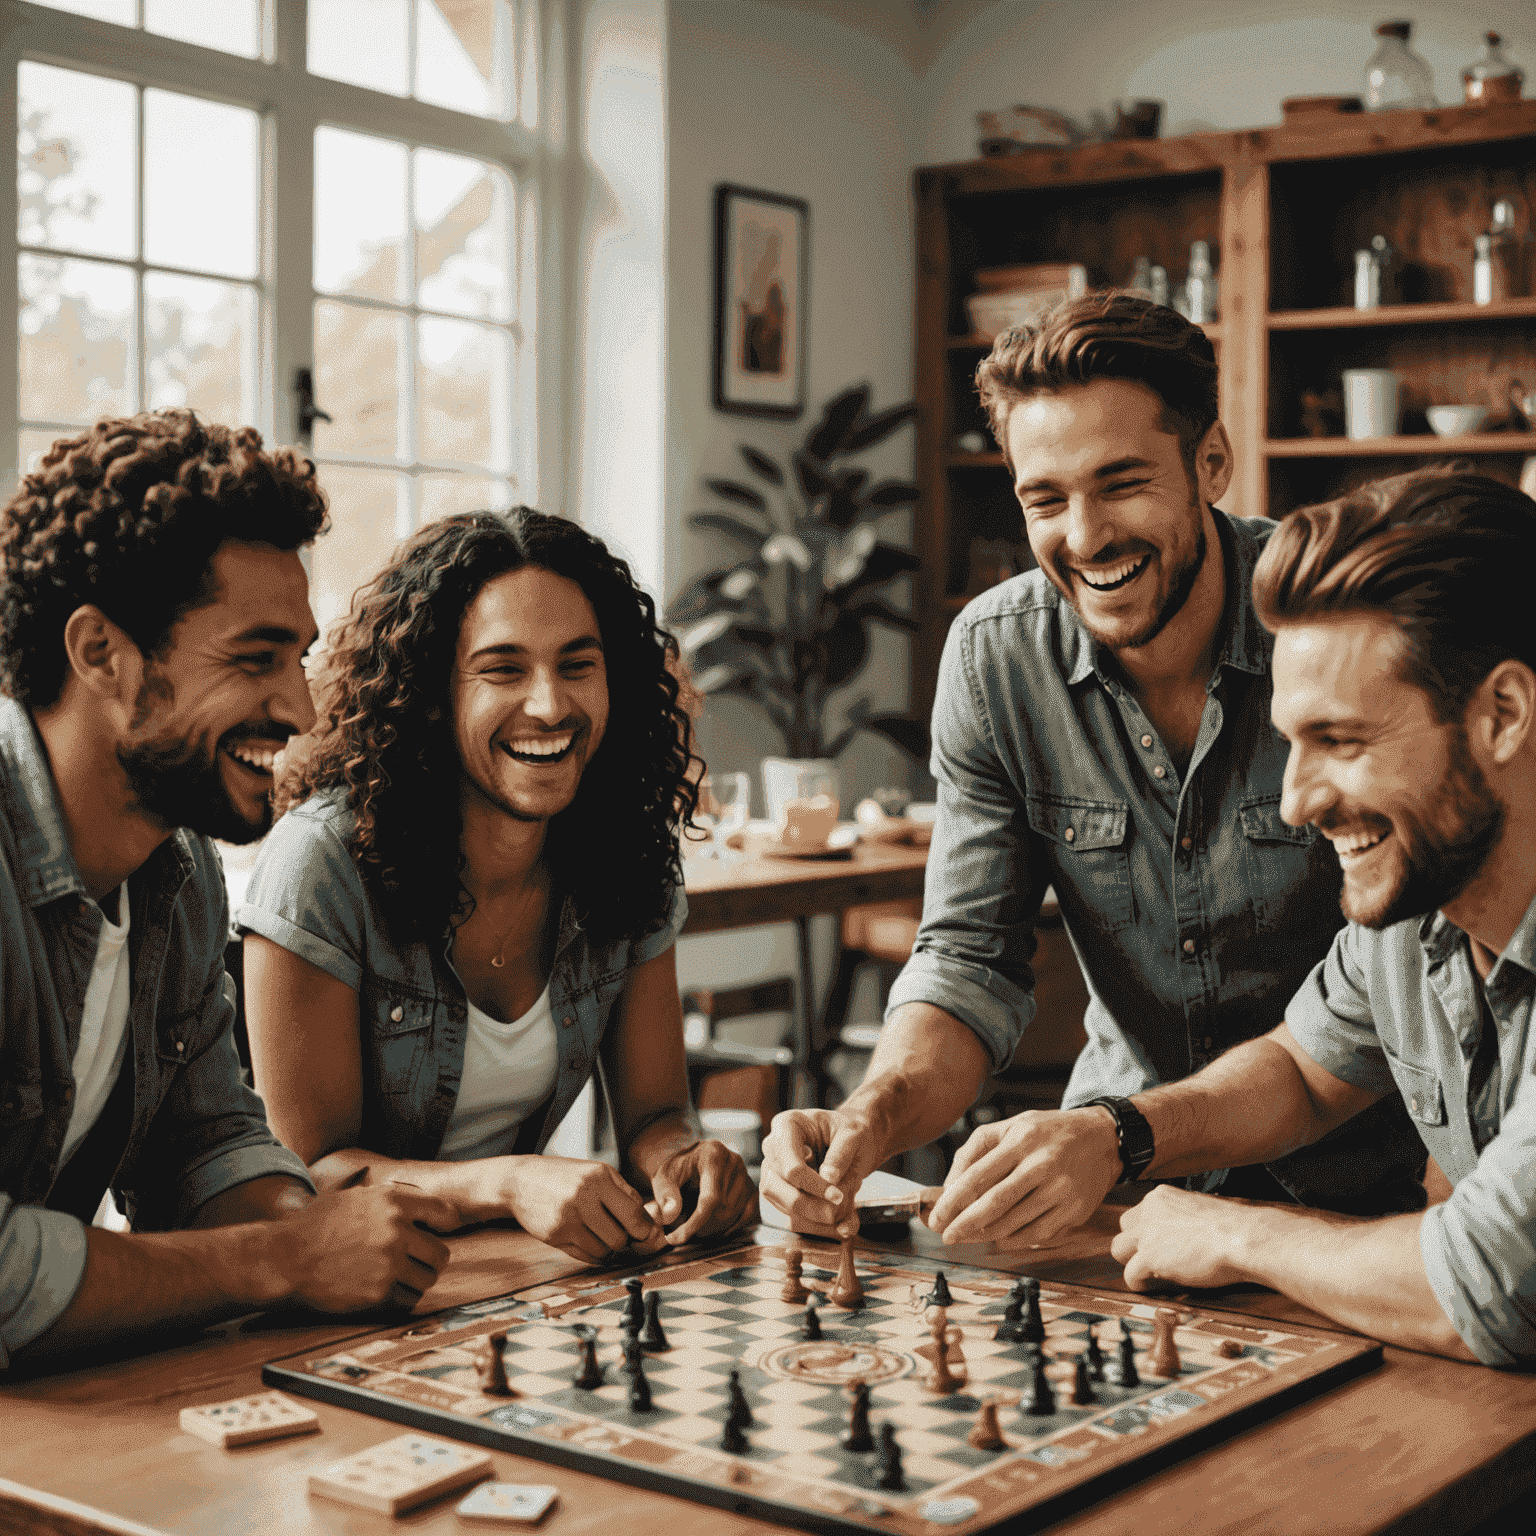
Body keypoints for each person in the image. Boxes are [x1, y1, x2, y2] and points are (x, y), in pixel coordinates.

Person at [762, 293, 1425, 1244]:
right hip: (1105, 1193)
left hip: (1342, 1202)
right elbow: (966, 960)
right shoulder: (995, 660)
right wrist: (878, 1109)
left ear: (1211, 464)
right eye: (1046, 499)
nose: (1085, 535)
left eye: (1122, 483)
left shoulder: (1328, 632)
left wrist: (1118, 1136)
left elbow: (1380, 1002)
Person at [0, 410, 460, 1368]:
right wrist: (281, 1258)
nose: (300, 708)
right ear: (101, 655)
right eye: (255, 659)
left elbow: (203, 1142)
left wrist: (322, 1239)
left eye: (299, 657)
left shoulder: (179, 868)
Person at [1069, 468, 1536, 1365]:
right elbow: (1305, 1069)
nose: (1294, 803)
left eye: (1342, 741)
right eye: (1293, 744)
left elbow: (1491, 1279)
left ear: (1502, 714)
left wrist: (1237, 1236)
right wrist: (1114, 1135)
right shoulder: (1415, 901)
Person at [239, 509, 757, 1266]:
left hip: (504, 1280)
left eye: (578, 665)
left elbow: (655, 1115)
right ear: (431, 693)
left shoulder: (630, 852)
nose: (549, 706)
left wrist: (687, 1163)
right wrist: (511, 1184)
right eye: (503, 669)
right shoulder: (320, 863)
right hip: (329, 1293)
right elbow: (311, 1179)